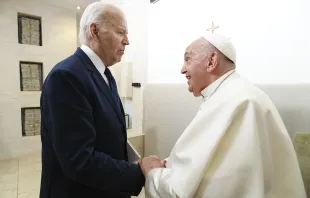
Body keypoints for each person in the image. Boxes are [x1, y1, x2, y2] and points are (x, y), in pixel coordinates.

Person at [142, 33, 307, 198]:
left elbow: (187, 191)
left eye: (188, 59)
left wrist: (153, 172)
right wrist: (171, 166)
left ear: (211, 61)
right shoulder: (233, 94)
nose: (182, 69)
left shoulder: (237, 101)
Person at [39, 2, 163, 198]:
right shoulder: (66, 76)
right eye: (121, 32)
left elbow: (108, 137)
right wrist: (138, 171)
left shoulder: (105, 74)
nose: (127, 41)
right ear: (95, 31)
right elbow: (79, 160)